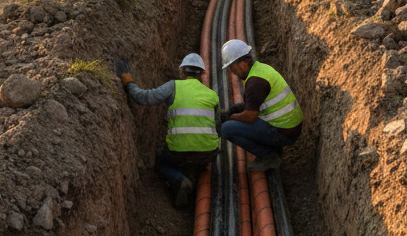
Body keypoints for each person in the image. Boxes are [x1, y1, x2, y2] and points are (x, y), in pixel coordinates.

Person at [117, 54, 220, 207]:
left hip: (179, 153)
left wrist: (128, 80)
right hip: (208, 153)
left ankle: (179, 179)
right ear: (202, 74)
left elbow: (143, 97)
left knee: (160, 160)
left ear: (181, 71)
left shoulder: (173, 86)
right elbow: (217, 125)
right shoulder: (212, 95)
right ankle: (194, 169)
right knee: (199, 155)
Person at [218, 39, 302, 171]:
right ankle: (272, 147)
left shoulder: (255, 82)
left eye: (232, 67)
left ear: (243, 64)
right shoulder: (261, 69)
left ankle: (268, 155)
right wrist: (235, 110)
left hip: (284, 132)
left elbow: (250, 117)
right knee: (238, 111)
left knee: (227, 128)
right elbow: (254, 104)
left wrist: (231, 117)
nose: (232, 72)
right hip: (289, 125)